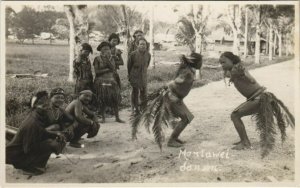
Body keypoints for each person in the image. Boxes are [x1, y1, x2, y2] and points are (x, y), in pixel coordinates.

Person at [219, 51, 294, 157]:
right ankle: (244, 141)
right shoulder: (232, 70)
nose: (222, 65)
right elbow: (227, 74)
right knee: (236, 115)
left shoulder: (238, 68)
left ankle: (245, 143)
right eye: (221, 63)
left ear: (232, 60)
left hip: (258, 98)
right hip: (257, 98)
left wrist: (245, 75)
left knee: (234, 115)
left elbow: (252, 80)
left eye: (224, 62)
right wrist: (227, 69)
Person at [131, 53, 202, 148]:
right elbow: (176, 81)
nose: (202, 64)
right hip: (173, 97)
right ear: (196, 62)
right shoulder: (187, 72)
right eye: (201, 62)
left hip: (175, 97)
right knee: (186, 118)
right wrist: (171, 87)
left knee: (188, 117)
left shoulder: (188, 70)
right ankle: (172, 140)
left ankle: (175, 136)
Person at [6, 91, 66, 176]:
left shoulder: (37, 116)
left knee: (50, 142)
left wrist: (56, 134)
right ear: (36, 107)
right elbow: (28, 149)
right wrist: (51, 144)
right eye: (44, 106)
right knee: (50, 144)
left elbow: (41, 132)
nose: (47, 108)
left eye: (48, 106)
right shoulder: (33, 122)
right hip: (17, 157)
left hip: (21, 152)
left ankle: (36, 165)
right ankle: (29, 168)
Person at [93, 41, 125, 123]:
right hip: (101, 81)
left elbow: (121, 63)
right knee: (102, 99)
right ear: (100, 50)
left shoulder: (113, 58)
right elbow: (97, 72)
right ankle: (103, 118)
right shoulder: (97, 59)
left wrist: (119, 55)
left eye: (108, 49)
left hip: (112, 80)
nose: (106, 50)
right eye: (104, 49)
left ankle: (117, 117)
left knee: (115, 99)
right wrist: (108, 68)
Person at [127, 38, 151, 114]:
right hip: (135, 76)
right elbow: (129, 66)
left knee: (144, 93)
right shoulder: (133, 54)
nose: (143, 46)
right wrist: (130, 76)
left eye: (144, 44)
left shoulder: (148, 55)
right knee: (135, 93)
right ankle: (136, 109)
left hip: (143, 76)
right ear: (137, 45)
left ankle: (143, 108)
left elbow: (147, 65)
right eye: (141, 44)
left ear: (146, 46)